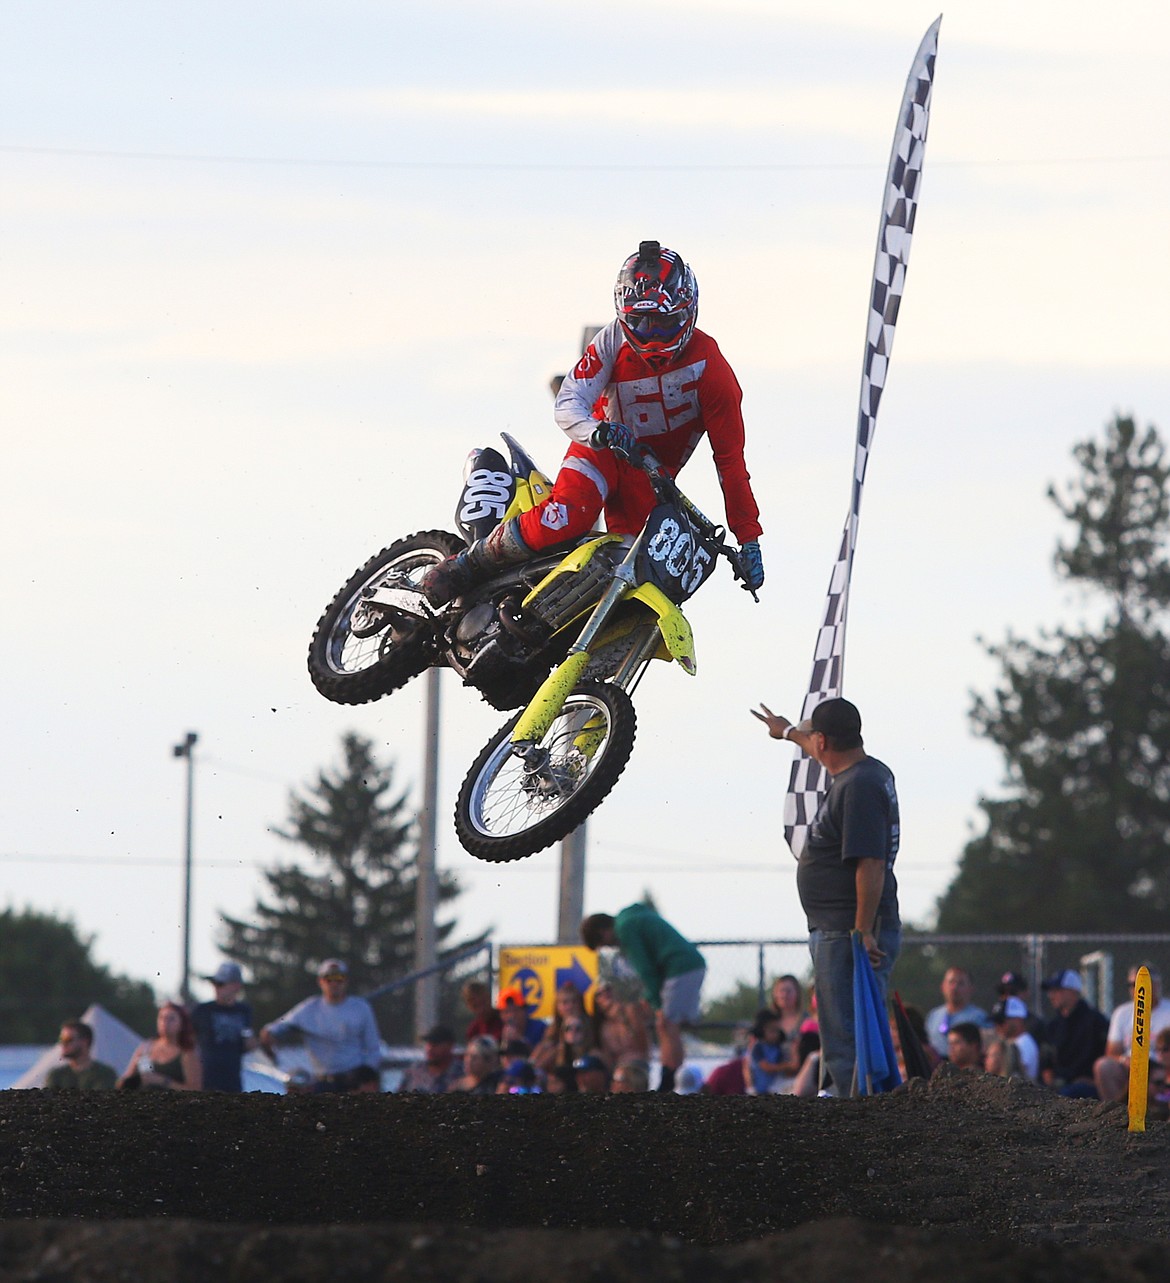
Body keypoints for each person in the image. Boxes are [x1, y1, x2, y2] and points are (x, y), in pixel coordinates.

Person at [422, 240, 764, 606]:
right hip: (601, 449)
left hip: (650, 478)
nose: (650, 336)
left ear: (686, 312)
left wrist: (749, 538)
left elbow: (730, 461)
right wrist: (597, 431)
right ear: (622, 315)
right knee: (569, 518)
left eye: (662, 324)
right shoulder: (611, 340)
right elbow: (569, 401)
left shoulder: (713, 371)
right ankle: (467, 564)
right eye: (639, 322)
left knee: (632, 580)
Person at [751, 696, 900, 1097]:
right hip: (839, 927)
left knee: (845, 1030)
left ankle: (853, 1111)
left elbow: (869, 863)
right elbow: (817, 748)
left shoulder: (858, 787)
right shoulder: (863, 771)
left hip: (846, 929)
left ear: (823, 741)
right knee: (840, 1023)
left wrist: (862, 931)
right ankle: (849, 1098)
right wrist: (785, 732)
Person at [580, 904, 706, 1093]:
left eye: (606, 944)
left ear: (603, 932)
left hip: (680, 968)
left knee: (666, 1023)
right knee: (667, 1024)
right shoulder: (627, 918)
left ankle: (670, 1081)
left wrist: (655, 1002)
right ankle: (672, 1076)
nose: (612, 947)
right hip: (682, 966)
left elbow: (646, 969)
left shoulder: (625, 929)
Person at [259, 959, 382, 1093]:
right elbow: (277, 1027)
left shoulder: (361, 1008)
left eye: (339, 978)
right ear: (320, 981)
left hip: (354, 1082)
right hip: (322, 1082)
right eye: (329, 978)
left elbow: (373, 1048)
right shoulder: (309, 1008)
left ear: (346, 981)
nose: (334, 983)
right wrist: (268, 1035)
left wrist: (367, 1076)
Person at [1094, 966, 1170, 1102]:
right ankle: (1117, 1115)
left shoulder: (1167, 1011)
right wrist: (1124, 1060)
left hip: (1160, 1065)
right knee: (1104, 1066)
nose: (1135, 988)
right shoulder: (1122, 1013)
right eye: (1131, 984)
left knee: (1157, 1076)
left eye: (1140, 983)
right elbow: (1112, 1052)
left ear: (1156, 985)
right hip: (1130, 1064)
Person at [1039, 968, 1108, 1096]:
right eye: (1050, 991)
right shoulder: (1053, 1026)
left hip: (1087, 1086)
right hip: (1059, 1084)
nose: (1051, 995)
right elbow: (1046, 1064)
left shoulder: (1095, 1021)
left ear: (1073, 991)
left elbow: (1105, 1055)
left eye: (1057, 990)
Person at [191, 961, 256, 1093]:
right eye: (215, 983)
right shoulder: (202, 1010)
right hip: (205, 1081)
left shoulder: (243, 1011)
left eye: (221, 984)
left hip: (232, 1082)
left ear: (236, 986)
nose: (216, 988)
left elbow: (249, 1044)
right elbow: (188, 1040)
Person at [117, 1001, 203, 1091]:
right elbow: (122, 1082)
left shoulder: (187, 1052)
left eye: (171, 1019)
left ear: (182, 1024)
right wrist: (133, 1077)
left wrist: (162, 1081)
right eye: (161, 1018)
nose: (165, 1022)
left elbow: (195, 1089)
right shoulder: (146, 1048)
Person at [924, 967, 990, 1059]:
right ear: (943, 986)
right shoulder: (933, 1016)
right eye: (951, 982)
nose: (954, 987)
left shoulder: (979, 1017)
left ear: (971, 989)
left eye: (961, 983)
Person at [591, 981, 651, 1070]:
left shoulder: (631, 1011)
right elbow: (609, 1058)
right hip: (618, 1070)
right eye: (599, 994)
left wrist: (623, 1018)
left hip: (639, 1065)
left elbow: (642, 1043)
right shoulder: (603, 1027)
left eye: (607, 989)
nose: (605, 994)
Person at [45, 1020, 117, 1091]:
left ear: (84, 1042)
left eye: (68, 1040)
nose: (63, 1044)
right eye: (61, 1040)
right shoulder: (56, 1075)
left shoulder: (104, 1074)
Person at [399, 1025, 463, 1094]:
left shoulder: (461, 1072)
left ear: (450, 1046)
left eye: (435, 1044)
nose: (430, 1049)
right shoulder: (415, 1071)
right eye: (428, 1044)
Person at [989, 996, 1040, 1080]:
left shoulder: (1024, 1043)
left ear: (1017, 1020)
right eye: (995, 1022)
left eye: (1001, 1022)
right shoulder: (1013, 1041)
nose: (997, 1026)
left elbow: (1017, 1073)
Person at [496, 985, 548, 1053]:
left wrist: (520, 1040)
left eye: (516, 1010)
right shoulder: (498, 1029)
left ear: (525, 1010)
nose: (512, 1015)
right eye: (506, 1012)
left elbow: (544, 1055)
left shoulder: (541, 1028)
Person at [461, 980, 503, 1044]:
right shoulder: (473, 1031)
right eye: (475, 1006)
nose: (481, 1010)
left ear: (489, 998)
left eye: (483, 1003)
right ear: (469, 1007)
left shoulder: (504, 1020)